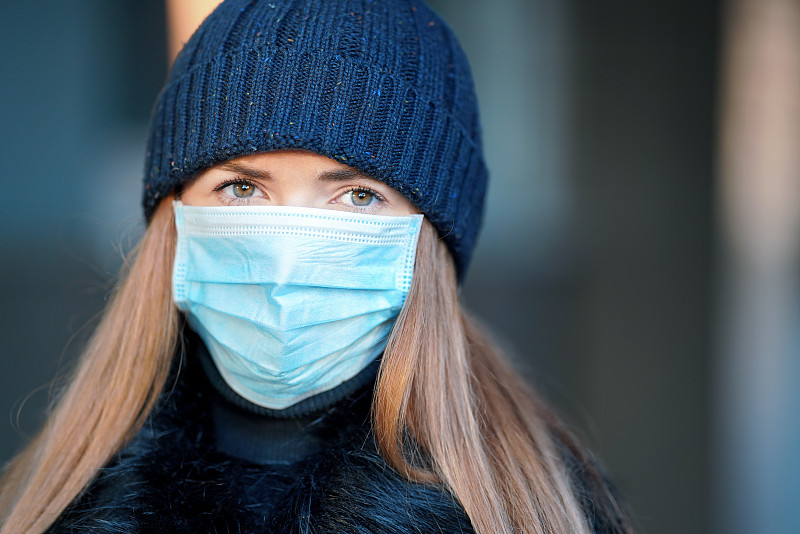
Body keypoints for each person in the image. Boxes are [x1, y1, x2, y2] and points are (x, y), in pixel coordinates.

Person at [0, 1, 631, 533]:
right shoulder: (47, 503)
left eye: (359, 195)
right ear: (174, 212)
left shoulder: (538, 509)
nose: (286, 255)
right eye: (243, 188)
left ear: (431, 239)